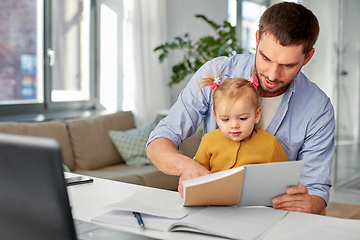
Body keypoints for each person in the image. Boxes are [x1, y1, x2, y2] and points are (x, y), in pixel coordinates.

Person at [147, 2, 335, 214]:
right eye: (265, 57)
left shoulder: (318, 109)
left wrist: (312, 203)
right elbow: (158, 142)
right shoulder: (218, 72)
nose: (272, 75)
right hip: (212, 212)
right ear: (257, 39)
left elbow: (317, 191)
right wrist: (185, 166)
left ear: (307, 57)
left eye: (288, 65)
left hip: (273, 219)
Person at [195, 74, 288, 172]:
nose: (234, 126)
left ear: (256, 115)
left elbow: (284, 176)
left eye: (243, 118)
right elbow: (197, 175)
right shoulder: (209, 141)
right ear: (216, 118)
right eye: (225, 119)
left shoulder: (270, 144)